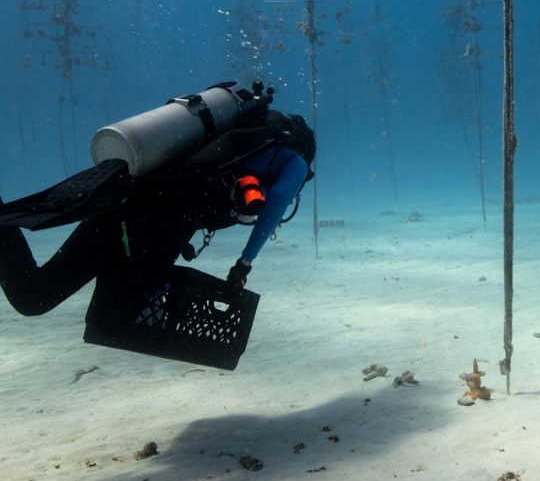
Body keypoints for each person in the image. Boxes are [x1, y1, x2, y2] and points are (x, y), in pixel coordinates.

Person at [0, 94, 315, 337]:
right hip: (159, 218)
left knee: (34, 296)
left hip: (131, 195)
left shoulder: (233, 145)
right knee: (111, 320)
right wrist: (244, 264)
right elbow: (272, 211)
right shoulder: (294, 162)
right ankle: (115, 226)